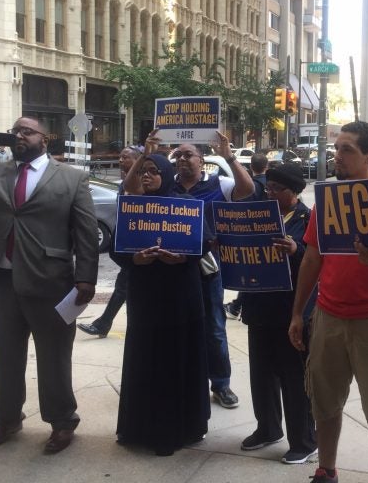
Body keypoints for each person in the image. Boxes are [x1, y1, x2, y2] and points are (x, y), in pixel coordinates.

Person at [0, 117, 98, 454]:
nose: (18, 136)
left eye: (26, 131)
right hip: (0, 278)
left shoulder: (72, 178)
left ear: (45, 139)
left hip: (51, 281)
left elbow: (85, 233)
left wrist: (86, 277)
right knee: (6, 354)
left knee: (54, 355)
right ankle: (8, 418)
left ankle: (61, 421)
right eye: (14, 131)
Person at [289, 121, 368, 483]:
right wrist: (298, 313)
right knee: (325, 403)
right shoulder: (327, 201)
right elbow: (312, 259)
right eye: (337, 148)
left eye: (347, 149)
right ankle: (326, 469)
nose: (338, 155)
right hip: (328, 317)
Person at [124, 131, 253, 410]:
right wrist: (146, 154)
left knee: (214, 328)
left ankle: (221, 384)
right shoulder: (167, 187)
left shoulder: (219, 183)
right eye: (178, 155)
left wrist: (229, 155)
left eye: (188, 154)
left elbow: (248, 189)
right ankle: (184, 380)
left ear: (201, 159)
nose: (182, 159)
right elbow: (131, 188)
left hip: (206, 268)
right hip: (172, 272)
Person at [113, 153, 211, 456]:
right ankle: (138, 428)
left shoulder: (185, 203)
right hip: (145, 298)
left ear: (166, 174)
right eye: (142, 171)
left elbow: (205, 243)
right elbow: (117, 247)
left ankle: (173, 432)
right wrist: (135, 259)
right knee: (144, 359)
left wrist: (182, 257)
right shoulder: (132, 206)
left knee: (175, 362)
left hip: (180, 297)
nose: (147, 176)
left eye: (154, 172)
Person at [238, 162, 317, 464]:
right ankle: (268, 428)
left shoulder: (307, 220)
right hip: (259, 307)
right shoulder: (256, 215)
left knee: (294, 379)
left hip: (292, 311)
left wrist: (296, 250)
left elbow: (317, 265)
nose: (269, 192)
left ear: (294, 191)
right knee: (262, 375)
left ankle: (305, 440)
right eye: (268, 186)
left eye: (277, 188)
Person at [77, 145, 142, 337]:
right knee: (124, 287)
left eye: (126, 158)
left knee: (124, 287)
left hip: (139, 245)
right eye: (120, 158)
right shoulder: (123, 184)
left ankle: (105, 324)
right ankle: (106, 324)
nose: (121, 161)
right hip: (126, 245)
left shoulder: (144, 182)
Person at [224, 152, 269, 319]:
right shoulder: (271, 185)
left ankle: (236, 306)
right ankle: (237, 306)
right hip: (269, 233)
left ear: (251, 167)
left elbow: (240, 210)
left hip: (252, 235)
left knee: (251, 272)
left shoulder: (251, 186)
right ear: (267, 166)